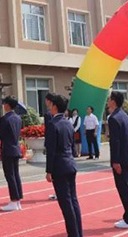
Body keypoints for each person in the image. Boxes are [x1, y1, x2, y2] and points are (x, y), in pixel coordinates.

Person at [45, 94, 83, 237]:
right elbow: (72, 147)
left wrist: (49, 170)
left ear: (54, 106)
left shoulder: (52, 124)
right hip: (70, 164)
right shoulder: (68, 123)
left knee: (66, 204)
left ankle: (73, 234)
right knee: (73, 200)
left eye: (50, 104)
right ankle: (78, 233)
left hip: (59, 167)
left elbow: (51, 150)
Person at [108, 91, 128, 230]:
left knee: (124, 188)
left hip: (120, 159)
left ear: (114, 101)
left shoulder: (114, 118)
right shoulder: (125, 116)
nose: (108, 102)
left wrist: (115, 161)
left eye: (109, 99)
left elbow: (115, 141)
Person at [0, 96, 24, 211]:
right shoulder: (18, 118)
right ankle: (18, 200)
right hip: (16, 148)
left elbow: (1, 135)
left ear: (8, 105)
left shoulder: (5, 119)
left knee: (10, 175)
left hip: (7, 149)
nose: (4, 106)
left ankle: (14, 200)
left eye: (5, 104)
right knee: (16, 175)